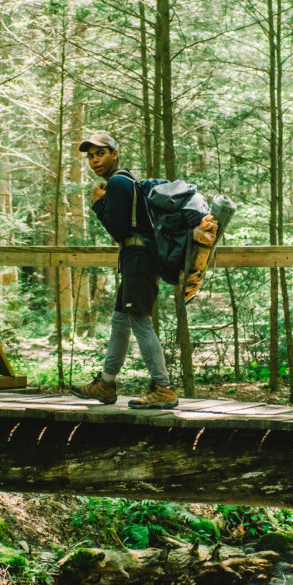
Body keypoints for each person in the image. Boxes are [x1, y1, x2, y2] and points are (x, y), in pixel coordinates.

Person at [70, 132, 178, 410]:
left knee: (140, 322)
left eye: (100, 154)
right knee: (120, 320)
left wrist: (97, 204)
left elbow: (118, 230)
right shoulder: (127, 179)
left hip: (138, 259)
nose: (94, 161)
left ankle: (164, 388)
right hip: (139, 258)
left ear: (115, 153)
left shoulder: (117, 183)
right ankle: (106, 382)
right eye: (91, 156)